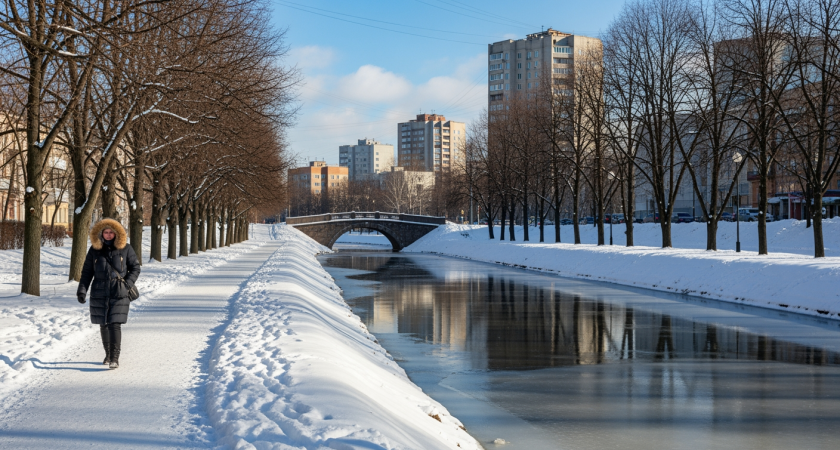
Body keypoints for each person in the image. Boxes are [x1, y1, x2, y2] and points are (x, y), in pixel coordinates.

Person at [77, 218, 141, 369]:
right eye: (105, 232)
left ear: (116, 233)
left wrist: (126, 285)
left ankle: (115, 358)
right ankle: (108, 354)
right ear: (100, 233)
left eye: (111, 232)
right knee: (103, 324)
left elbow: (135, 268)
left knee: (114, 324)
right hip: (99, 291)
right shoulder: (94, 250)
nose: (108, 235)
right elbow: (87, 272)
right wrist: (82, 290)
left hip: (119, 291)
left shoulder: (126, 248)